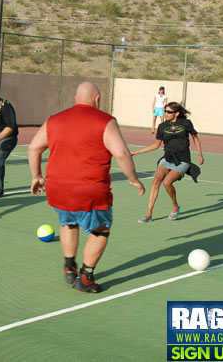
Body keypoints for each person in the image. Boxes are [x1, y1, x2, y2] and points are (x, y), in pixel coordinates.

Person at [28, 82, 145, 293]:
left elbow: (34, 147)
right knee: (101, 230)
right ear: (97, 98)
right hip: (89, 191)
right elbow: (121, 153)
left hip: (57, 188)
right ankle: (85, 277)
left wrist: (36, 176)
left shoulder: (54, 120)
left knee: (68, 222)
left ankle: (69, 268)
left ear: (75, 98)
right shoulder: (105, 121)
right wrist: (134, 179)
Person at [132, 101, 204, 223]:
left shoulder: (186, 124)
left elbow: (195, 138)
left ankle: (175, 205)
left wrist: (200, 154)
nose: (165, 113)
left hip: (182, 159)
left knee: (167, 183)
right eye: (165, 111)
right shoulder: (162, 126)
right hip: (167, 158)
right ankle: (149, 214)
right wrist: (138, 152)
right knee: (156, 181)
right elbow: (156, 145)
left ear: (176, 113)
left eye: (169, 112)